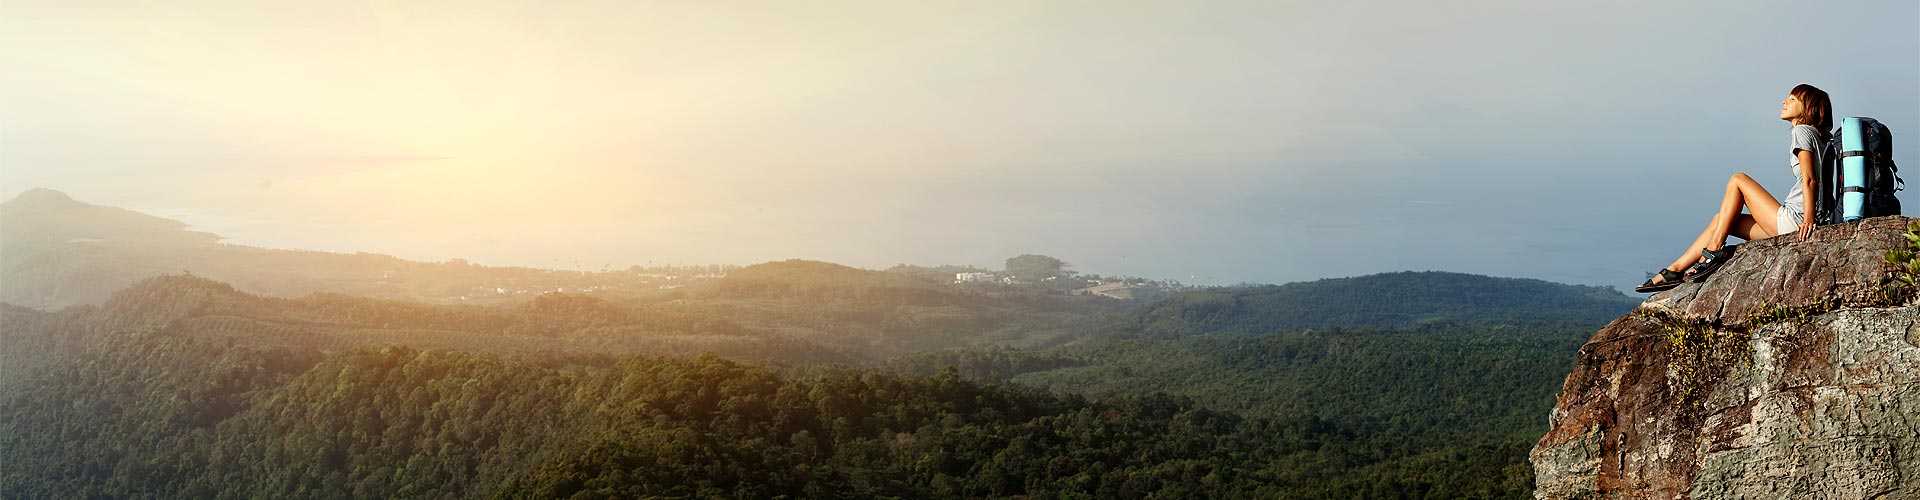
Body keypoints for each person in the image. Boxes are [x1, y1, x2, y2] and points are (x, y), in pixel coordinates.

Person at [1636, 84, 1830, 293]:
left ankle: (1712, 251)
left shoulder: (1801, 131)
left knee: (1738, 179)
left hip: (1796, 221)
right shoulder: (1818, 137)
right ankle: (1674, 271)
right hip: (1795, 221)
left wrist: (1808, 220)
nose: (1784, 102)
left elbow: (1810, 179)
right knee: (1723, 219)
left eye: (1792, 99)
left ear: (1808, 107)